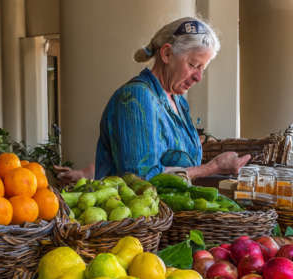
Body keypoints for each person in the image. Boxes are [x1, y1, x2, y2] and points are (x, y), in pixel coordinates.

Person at [54, 16, 249, 186]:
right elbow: (141, 180)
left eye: (202, 68)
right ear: (166, 54)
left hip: (173, 219)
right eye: (192, 65)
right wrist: (211, 168)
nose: (198, 77)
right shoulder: (135, 98)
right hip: (140, 224)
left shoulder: (179, 102)